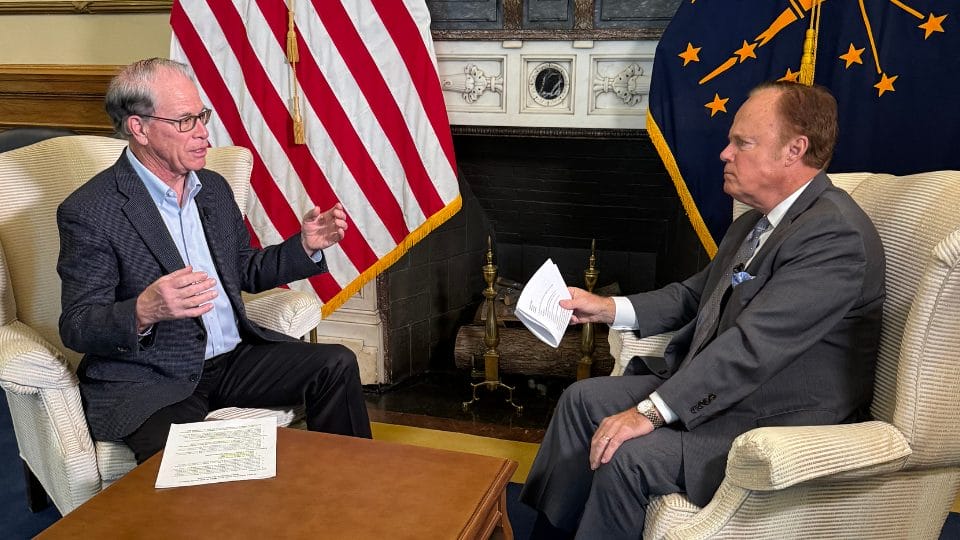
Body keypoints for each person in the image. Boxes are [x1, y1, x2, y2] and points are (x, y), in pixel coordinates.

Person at [520, 81, 886, 538]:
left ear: (794, 150)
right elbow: (696, 296)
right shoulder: (755, 223)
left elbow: (752, 348)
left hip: (771, 421)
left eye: (742, 143)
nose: (724, 154)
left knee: (626, 455)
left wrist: (649, 413)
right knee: (581, 400)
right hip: (729, 396)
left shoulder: (834, 237)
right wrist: (607, 307)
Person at [57, 58, 372, 463]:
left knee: (335, 363)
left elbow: (243, 269)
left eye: (201, 116)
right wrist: (143, 311)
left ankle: (354, 485)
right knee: (184, 465)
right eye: (185, 121)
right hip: (153, 378)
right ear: (139, 128)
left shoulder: (213, 188)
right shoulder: (90, 210)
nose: (203, 133)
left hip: (235, 358)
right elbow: (78, 324)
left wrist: (305, 247)